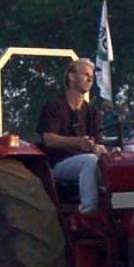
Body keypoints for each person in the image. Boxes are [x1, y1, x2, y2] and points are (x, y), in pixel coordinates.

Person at [37, 58, 106, 214]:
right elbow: (48, 139)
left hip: (87, 161)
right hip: (59, 164)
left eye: (92, 76)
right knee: (89, 161)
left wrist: (101, 148)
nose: (90, 79)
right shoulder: (54, 106)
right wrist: (77, 142)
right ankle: (89, 211)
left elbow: (98, 141)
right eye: (85, 75)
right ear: (72, 76)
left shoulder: (92, 111)